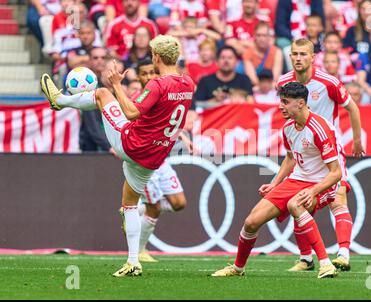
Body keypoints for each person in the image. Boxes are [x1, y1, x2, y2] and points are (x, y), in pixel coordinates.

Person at [40, 35, 195, 277]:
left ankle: (59, 100)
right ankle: (133, 262)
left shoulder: (157, 84)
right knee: (130, 205)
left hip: (131, 144)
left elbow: (132, 112)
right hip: (155, 155)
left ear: (156, 57)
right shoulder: (188, 83)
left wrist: (116, 85)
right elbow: (156, 113)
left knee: (102, 94)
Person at [212, 82, 341, 279]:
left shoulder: (320, 128)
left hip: (322, 183)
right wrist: (274, 183)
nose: (281, 106)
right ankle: (238, 269)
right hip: (297, 179)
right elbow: (290, 159)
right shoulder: (288, 127)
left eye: (285, 102)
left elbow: (336, 173)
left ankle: (326, 264)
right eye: (281, 101)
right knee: (251, 222)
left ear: (300, 103)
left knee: (295, 204)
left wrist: (313, 191)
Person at [277, 38, 365, 272]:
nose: (298, 58)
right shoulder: (283, 81)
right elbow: (286, 112)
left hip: (328, 150)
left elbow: (352, 107)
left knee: (339, 197)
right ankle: (306, 259)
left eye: (303, 54)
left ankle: (343, 254)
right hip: (303, 153)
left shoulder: (329, 82)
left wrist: (356, 139)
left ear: (313, 57)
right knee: (298, 202)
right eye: (294, 54)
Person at [127, 59, 188, 263]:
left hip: (161, 158)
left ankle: (134, 209)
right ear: (138, 77)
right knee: (154, 208)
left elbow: (166, 122)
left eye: (153, 72)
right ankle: (140, 251)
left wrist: (182, 136)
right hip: (145, 161)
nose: (149, 77)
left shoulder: (163, 94)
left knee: (179, 203)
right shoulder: (136, 100)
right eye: (144, 74)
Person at [194, 45, 254, 110]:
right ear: (216, 62)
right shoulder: (205, 81)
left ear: (237, 62)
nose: (226, 61)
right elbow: (197, 105)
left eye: (230, 58)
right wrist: (215, 100)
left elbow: (251, 102)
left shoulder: (244, 80)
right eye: (223, 57)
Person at [242, 21, 283, 86]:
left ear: (269, 37)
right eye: (258, 35)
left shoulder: (277, 52)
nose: (261, 38)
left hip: (271, 86)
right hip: (256, 87)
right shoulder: (247, 52)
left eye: (264, 35)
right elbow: (253, 79)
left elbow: (275, 77)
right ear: (254, 36)